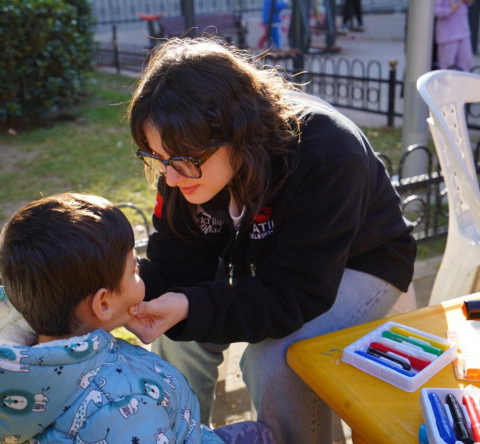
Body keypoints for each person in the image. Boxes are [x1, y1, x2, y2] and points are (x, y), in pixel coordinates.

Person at [126, 37, 417, 443]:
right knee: (179, 340)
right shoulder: (184, 157)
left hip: (362, 263)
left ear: (238, 132)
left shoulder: (328, 152)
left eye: (182, 162)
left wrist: (191, 303)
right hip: (270, 272)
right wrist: (123, 290)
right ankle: (184, 437)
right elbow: (178, 270)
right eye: (156, 157)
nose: (170, 178)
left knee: (277, 362)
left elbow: (292, 296)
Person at [0, 193, 274, 443]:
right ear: (103, 303)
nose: (142, 278)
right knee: (264, 435)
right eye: (135, 270)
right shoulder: (126, 407)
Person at [434, 0, 474, 72]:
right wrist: (450, 10)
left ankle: (462, 82)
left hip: (463, 32)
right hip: (448, 36)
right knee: (447, 67)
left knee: (466, 63)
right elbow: (434, 10)